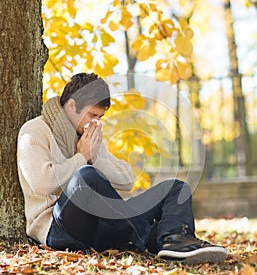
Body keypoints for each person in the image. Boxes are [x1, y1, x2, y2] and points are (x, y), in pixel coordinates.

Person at [17, 72, 228, 264]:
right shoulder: (35, 131)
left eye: (100, 118)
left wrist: (95, 156)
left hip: (101, 227)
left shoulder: (88, 136)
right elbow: (41, 184)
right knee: (86, 177)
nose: (95, 123)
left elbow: (126, 180)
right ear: (72, 106)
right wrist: (82, 158)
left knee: (176, 188)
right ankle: (147, 236)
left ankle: (176, 239)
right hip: (59, 229)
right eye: (92, 115)